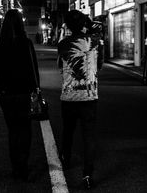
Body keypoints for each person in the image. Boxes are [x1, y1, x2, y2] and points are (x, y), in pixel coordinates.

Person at [0, 9, 39, 181]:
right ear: (20, 23)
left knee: (13, 131)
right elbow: (34, 70)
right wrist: (36, 88)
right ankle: (23, 167)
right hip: (24, 93)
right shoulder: (26, 43)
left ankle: (15, 168)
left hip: (6, 94)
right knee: (25, 130)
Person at [57, 10, 103, 190]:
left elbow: (60, 66)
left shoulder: (63, 44)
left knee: (68, 131)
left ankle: (66, 160)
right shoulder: (95, 43)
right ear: (84, 23)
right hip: (89, 96)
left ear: (67, 25)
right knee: (88, 137)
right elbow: (99, 66)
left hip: (68, 96)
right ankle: (88, 174)